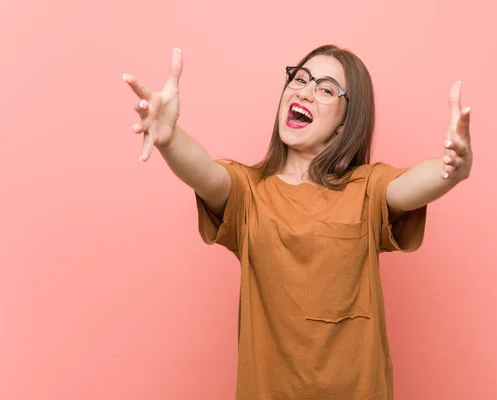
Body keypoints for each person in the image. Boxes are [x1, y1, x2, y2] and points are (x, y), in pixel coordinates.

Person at [123, 44, 473, 400]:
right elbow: (207, 174)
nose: (303, 90)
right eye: (300, 78)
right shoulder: (249, 191)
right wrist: (170, 138)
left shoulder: (366, 189)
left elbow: (411, 184)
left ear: (344, 123)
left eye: (324, 89)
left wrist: (453, 170)